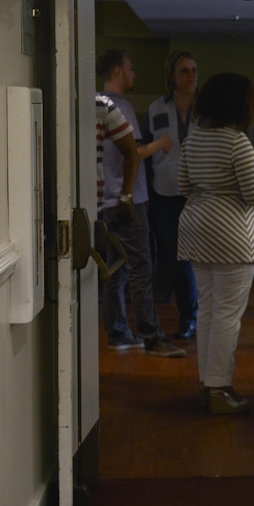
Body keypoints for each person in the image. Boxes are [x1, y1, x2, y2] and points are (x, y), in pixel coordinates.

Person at [177, 72, 254, 415]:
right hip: (231, 235)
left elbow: (183, 186)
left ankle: (207, 383)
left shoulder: (193, 139)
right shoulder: (237, 142)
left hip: (195, 228)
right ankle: (219, 388)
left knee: (209, 310)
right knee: (228, 314)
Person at [96, 50, 185, 358]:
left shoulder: (97, 104)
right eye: (130, 69)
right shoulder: (119, 107)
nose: (134, 75)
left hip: (106, 200)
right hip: (126, 200)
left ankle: (118, 332)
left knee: (116, 270)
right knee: (140, 268)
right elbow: (132, 152)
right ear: (118, 72)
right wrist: (159, 144)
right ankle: (151, 335)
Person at [144, 50, 200, 340]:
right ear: (172, 76)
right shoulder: (156, 108)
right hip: (164, 192)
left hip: (199, 193)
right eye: (184, 71)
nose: (190, 76)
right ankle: (189, 317)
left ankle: (192, 316)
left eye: (193, 70)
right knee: (176, 256)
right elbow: (146, 153)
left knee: (191, 257)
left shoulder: (206, 109)